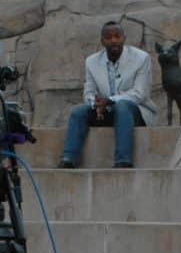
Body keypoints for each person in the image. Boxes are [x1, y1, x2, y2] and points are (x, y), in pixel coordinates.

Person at [58, 21, 158, 168]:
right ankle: (69, 159)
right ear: (102, 41)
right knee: (78, 111)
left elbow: (140, 93)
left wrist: (110, 100)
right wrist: (96, 103)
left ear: (124, 38)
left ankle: (123, 161)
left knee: (122, 106)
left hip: (136, 112)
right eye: (108, 37)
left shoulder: (141, 58)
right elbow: (89, 92)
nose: (113, 40)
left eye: (117, 36)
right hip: (105, 111)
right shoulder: (91, 62)